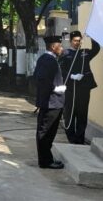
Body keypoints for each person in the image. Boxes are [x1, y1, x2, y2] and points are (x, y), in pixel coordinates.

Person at [59, 31, 100, 144]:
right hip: (71, 88)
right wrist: (71, 76)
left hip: (83, 88)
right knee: (70, 113)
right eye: (75, 41)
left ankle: (80, 138)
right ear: (71, 41)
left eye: (79, 40)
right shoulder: (65, 53)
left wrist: (92, 36)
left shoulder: (84, 53)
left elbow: (96, 49)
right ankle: (71, 138)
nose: (77, 43)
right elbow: (60, 69)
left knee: (82, 114)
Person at [34, 34, 66, 169]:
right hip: (51, 103)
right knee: (46, 132)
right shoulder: (48, 60)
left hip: (52, 102)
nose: (62, 48)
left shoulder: (47, 58)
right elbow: (41, 79)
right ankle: (45, 161)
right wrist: (55, 88)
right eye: (60, 46)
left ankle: (47, 158)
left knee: (49, 132)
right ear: (53, 47)